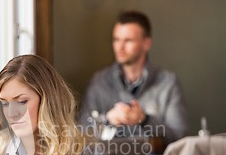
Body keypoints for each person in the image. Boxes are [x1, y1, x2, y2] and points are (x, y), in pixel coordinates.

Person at [80, 10, 188, 146]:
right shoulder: (98, 82)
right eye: (116, 40)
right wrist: (107, 119)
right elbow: (80, 135)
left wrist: (145, 120)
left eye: (128, 40)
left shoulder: (168, 83)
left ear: (146, 43)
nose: (120, 47)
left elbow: (180, 137)